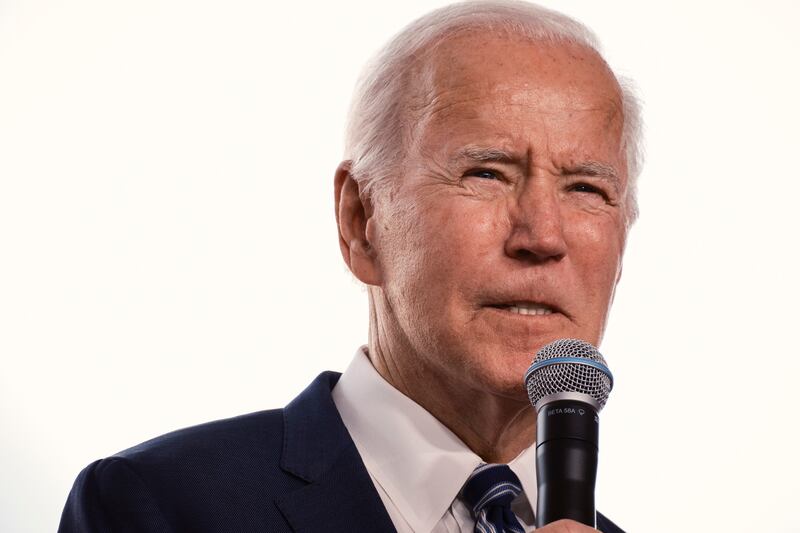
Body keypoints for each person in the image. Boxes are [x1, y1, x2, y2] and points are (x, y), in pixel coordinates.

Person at [58, 1, 642, 531]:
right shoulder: (160, 504)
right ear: (361, 221)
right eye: (485, 174)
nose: (542, 235)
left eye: (587, 188)